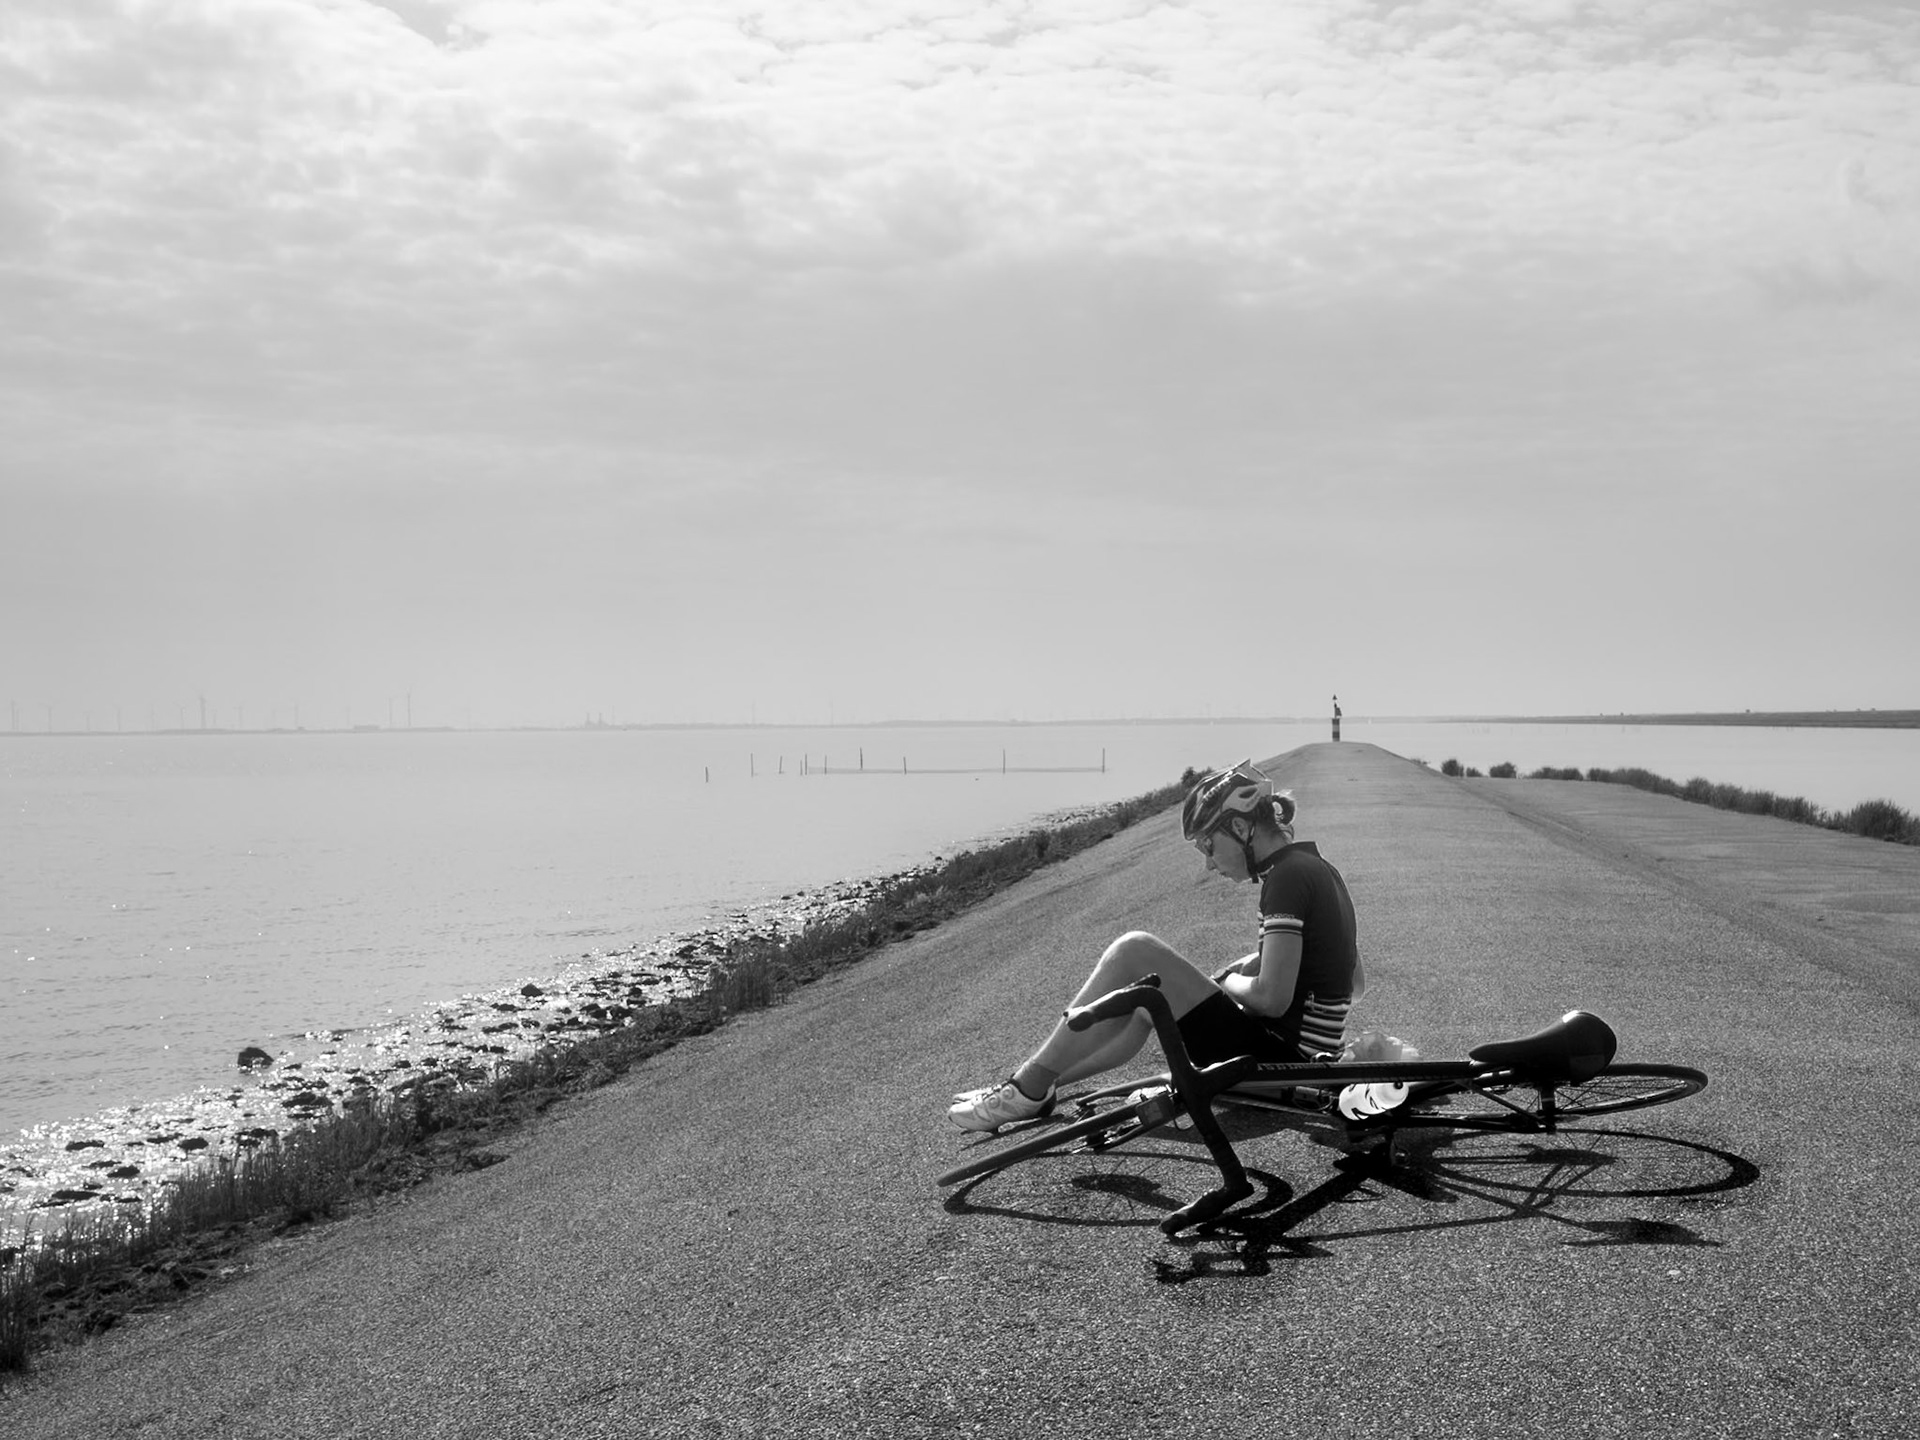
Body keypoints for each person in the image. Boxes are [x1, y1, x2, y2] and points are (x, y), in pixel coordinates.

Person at [949, 760, 1365, 1132]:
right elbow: (1352, 982)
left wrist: (1229, 981)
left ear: (1240, 828)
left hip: (1281, 1068)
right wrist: (1257, 961)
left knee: (1134, 950)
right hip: (1308, 1060)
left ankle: (1027, 1087)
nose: (1208, 862)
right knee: (1148, 1004)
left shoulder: (1286, 879)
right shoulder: (1319, 869)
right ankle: (1039, 1085)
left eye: (1208, 845)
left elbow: (1272, 1000)